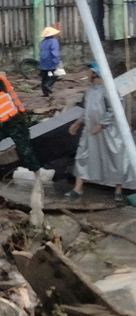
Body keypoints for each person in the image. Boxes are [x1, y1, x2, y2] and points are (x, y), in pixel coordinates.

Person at [66, 63, 130, 201]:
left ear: (96, 73)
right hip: (90, 129)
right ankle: (78, 188)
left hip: (109, 131)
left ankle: (118, 189)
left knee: (115, 157)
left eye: (90, 71)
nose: (88, 74)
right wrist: (78, 122)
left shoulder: (110, 89)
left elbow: (115, 109)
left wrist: (102, 124)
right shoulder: (90, 89)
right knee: (83, 155)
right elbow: (87, 109)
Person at [39, 26, 61, 97]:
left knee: (44, 76)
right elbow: (54, 52)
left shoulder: (42, 42)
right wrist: (56, 61)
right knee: (56, 74)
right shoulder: (53, 41)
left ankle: (45, 93)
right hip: (51, 60)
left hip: (43, 61)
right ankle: (48, 85)